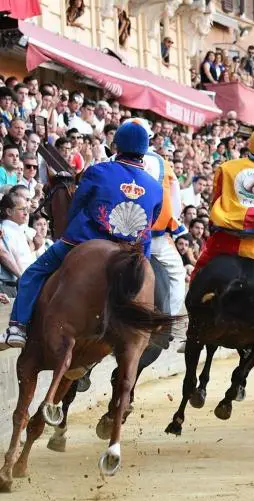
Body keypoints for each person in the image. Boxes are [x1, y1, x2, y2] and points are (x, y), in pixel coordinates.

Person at [1, 122, 163, 350]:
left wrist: (68, 230)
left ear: (117, 146)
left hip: (84, 241)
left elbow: (77, 205)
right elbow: (150, 223)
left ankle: (17, 327)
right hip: (132, 252)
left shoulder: (98, 171)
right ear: (144, 150)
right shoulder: (155, 187)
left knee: (33, 273)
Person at [190, 127, 254, 367]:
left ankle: (193, 327)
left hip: (222, 243)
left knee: (198, 274)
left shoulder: (226, 168)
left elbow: (215, 201)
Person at [121, 118, 188, 317]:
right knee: (177, 274)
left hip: (116, 236)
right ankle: (169, 320)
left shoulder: (109, 161)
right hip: (154, 238)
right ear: (149, 139)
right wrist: (173, 226)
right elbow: (175, 202)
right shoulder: (163, 163)